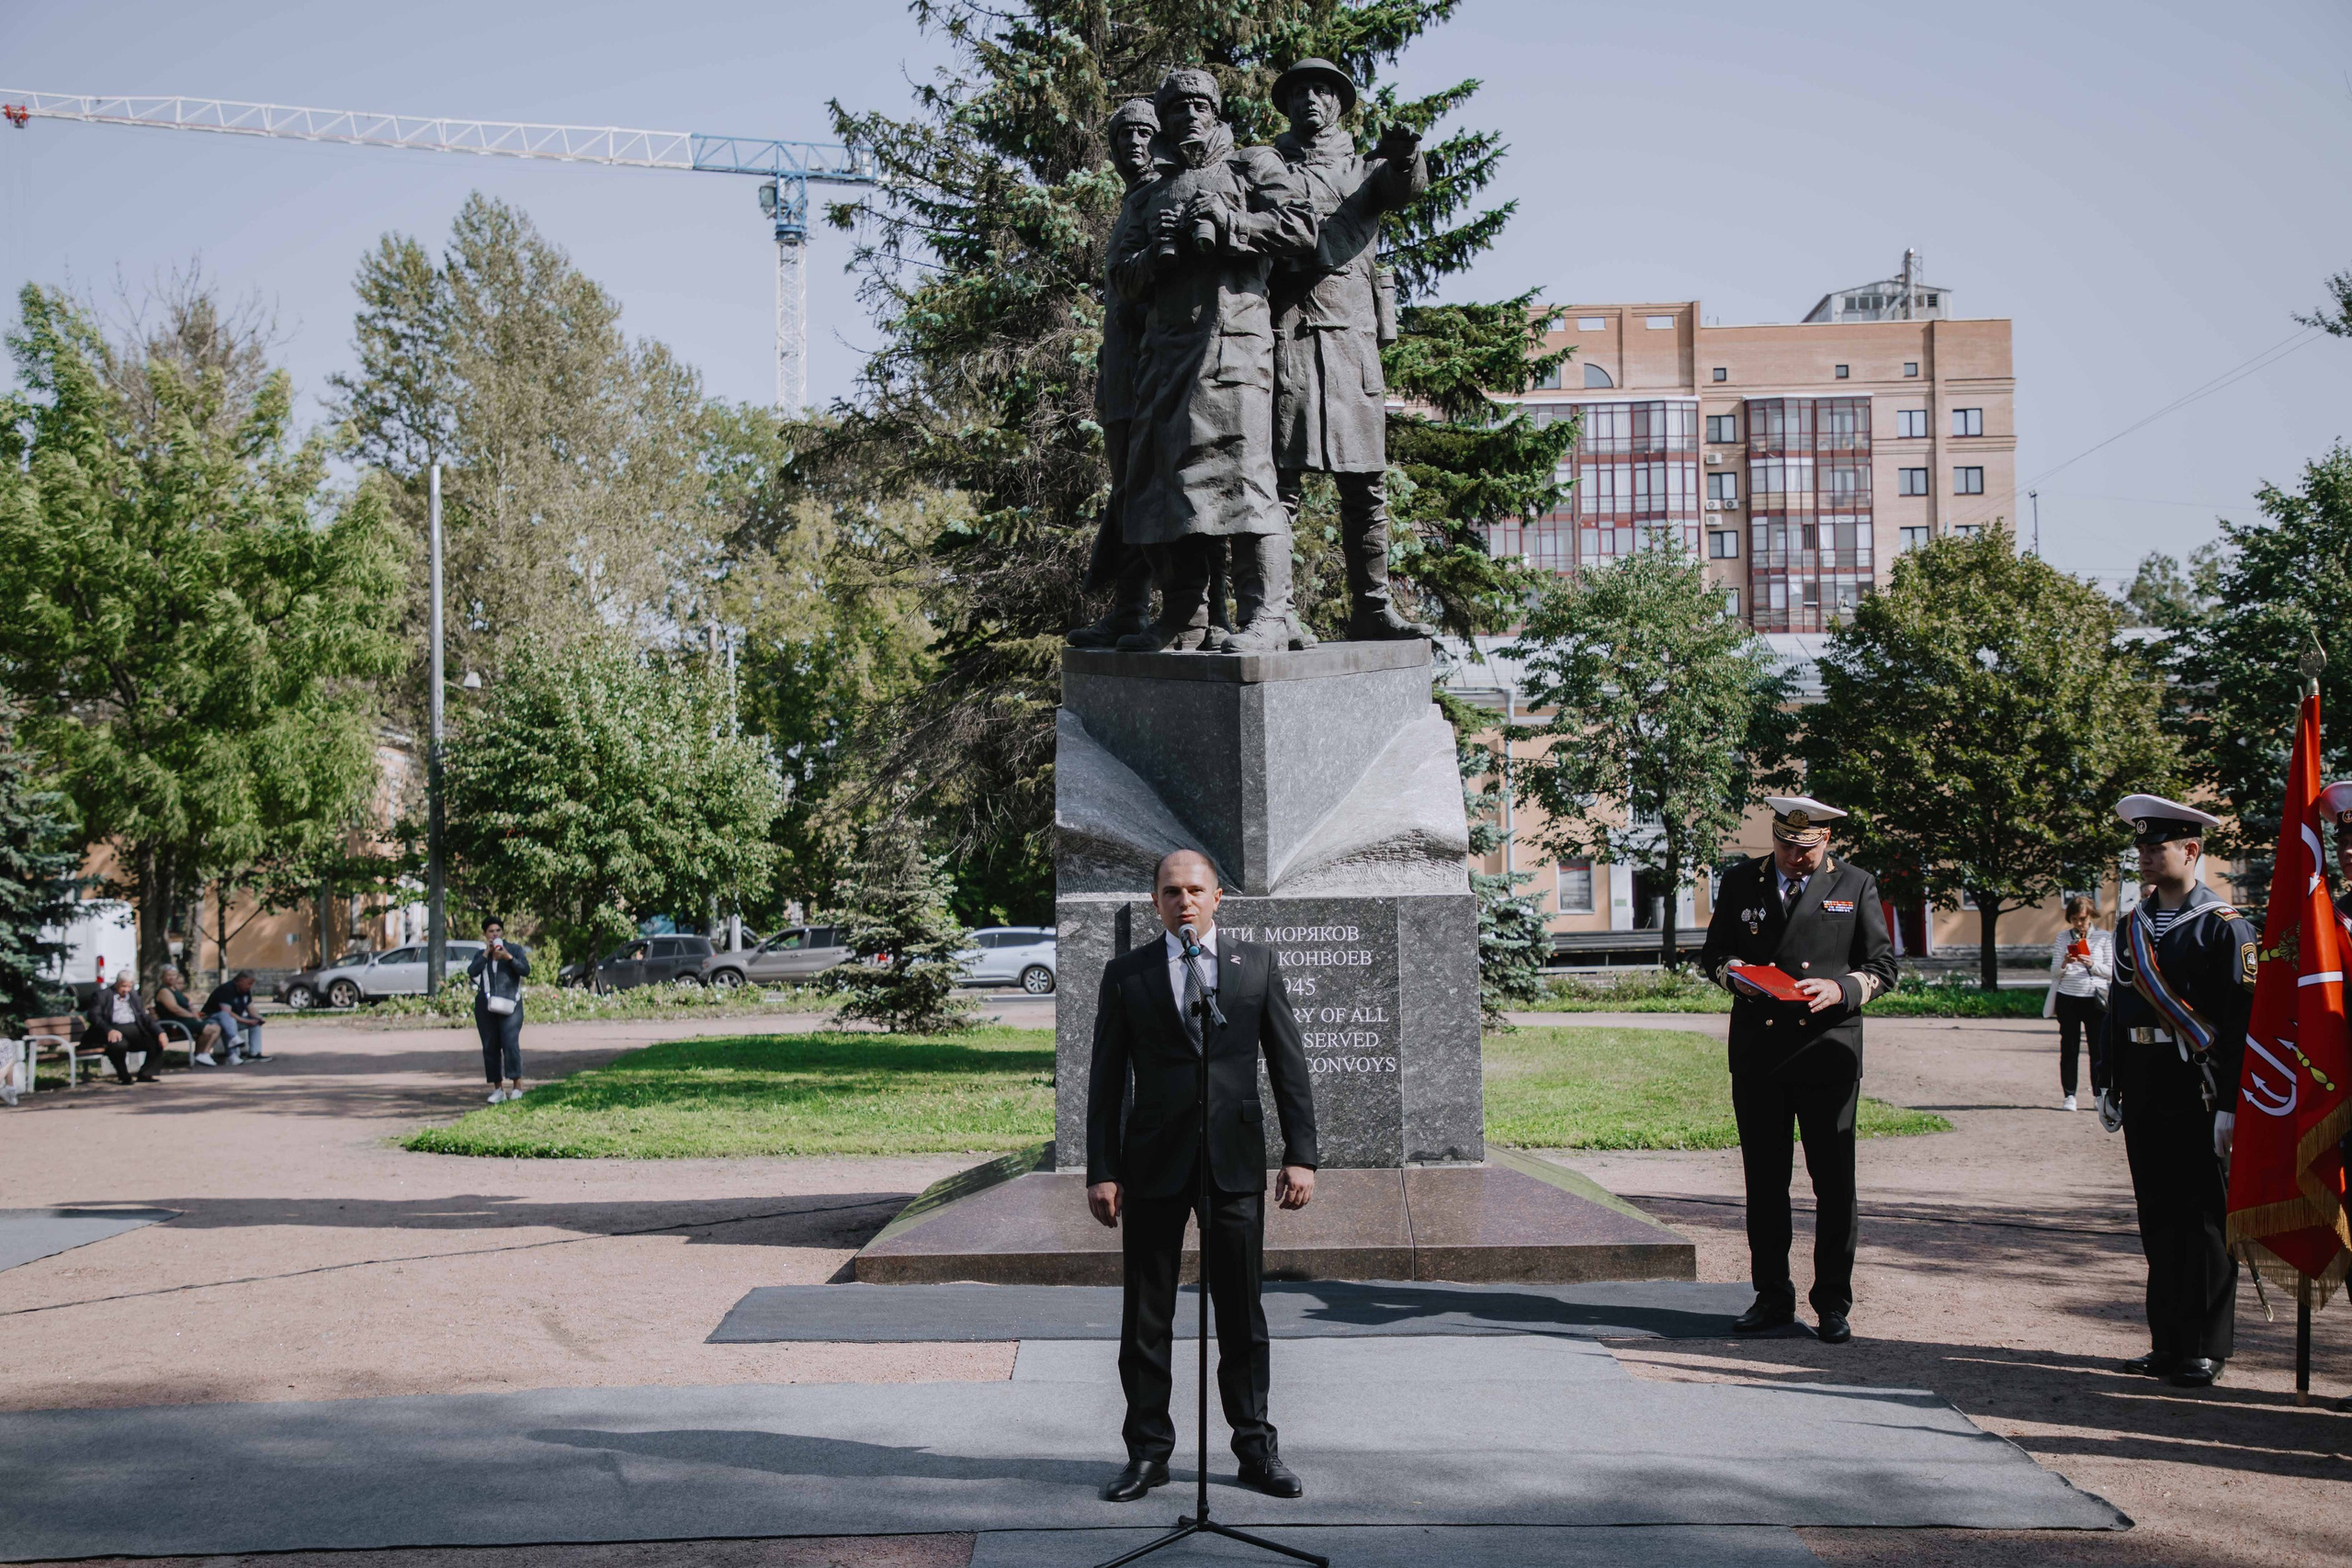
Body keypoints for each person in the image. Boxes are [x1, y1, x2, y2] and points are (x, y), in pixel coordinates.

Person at [1086, 847, 1318, 1503]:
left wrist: (1301, 1153)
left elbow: (1288, 1066)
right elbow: (1106, 1081)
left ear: (1219, 897)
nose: (1183, 901)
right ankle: (1149, 1453)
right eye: (1170, 891)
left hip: (1234, 1164)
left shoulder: (1255, 964)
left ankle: (1255, 1449)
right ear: (1155, 901)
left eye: (1195, 889)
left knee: (1242, 1315)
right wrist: (1101, 1168)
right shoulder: (1127, 974)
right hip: (1153, 1166)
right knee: (1147, 1317)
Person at [1109, 68, 1316, 654]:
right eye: (1178, 110)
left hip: (1233, 350)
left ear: (1216, 112)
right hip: (1165, 359)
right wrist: (1156, 253)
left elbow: (1301, 230)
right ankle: (1186, 616)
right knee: (1163, 487)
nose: (1190, 117)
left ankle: (1266, 615)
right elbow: (1122, 279)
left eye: (1201, 105)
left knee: (1246, 480)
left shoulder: (1253, 166)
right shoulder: (1150, 194)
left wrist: (1231, 223)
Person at [1697, 795, 1897, 1344]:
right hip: (1761, 1055)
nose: (1793, 856)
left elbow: (1883, 966)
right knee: (1765, 1182)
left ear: (1826, 841)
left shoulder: (1855, 885)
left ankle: (1832, 1301)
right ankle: (1772, 1296)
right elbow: (1713, 952)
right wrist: (1732, 973)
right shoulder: (1742, 881)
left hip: (1827, 1050)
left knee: (1835, 1185)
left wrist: (1841, 988)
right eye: (1785, 844)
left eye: (1805, 848)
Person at [2090, 795, 2256, 1390]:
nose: (2143, 856)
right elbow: (2115, 1009)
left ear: (2191, 850)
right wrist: (2107, 1079)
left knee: (2204, 1219)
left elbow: (2241, 1025)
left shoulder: (2225, 927)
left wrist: (2234, 1104)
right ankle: (2166, 1340)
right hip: (2143, 1081)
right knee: (2157, 1213)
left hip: (2201, 1086)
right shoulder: (2132, 923)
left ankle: (2206, 1346)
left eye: (2154, 847)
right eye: (2139, 846)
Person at [1268, 57, 1431, 643]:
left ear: (1339, 103)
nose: (1311, 99)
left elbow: (1401, 187)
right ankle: (1274, 613)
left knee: (1365, 486)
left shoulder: (1365, 170)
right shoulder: (1267, 166)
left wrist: (1405, 156)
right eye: (1300, 91)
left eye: (1322, 90)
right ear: (1286, 104)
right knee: (1280, 485)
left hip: (1352, 343)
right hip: (1286, 338)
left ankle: (1372, 607)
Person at [1068, 98, 1163, 650]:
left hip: (1155, 369)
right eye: (1123, 134)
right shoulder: (1132, 201)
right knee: (1129, 492)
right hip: (1122, 378)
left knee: (1148, 492)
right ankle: (1129, 609)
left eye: (1143, 132)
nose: (1132, 142)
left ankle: (1186, 610)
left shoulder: (1160, 196)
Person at [2042, 896, 2112, 1111]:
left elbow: (2111, 972)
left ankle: (2098, 1094)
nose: (2078, 924)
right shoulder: (2063, 937)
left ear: (2090, 915)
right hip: (2068, 997)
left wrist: (2091, 963)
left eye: (2082, 919)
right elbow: (2054, 972)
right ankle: (2069, 1095)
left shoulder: (2103, 938)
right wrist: (2065, 961)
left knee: (2097, 1050)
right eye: (2074, 919)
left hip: (2095, 998)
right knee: (2069, 1047)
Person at [468, 918, 531, 1102]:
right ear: (485, 934)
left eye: (497, 931)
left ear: (502, 932)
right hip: (486, 1006)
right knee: (490, 1047)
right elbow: (472, 971)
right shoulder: (482, 954)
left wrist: (508, 958)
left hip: (511, 1005)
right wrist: (487, 953)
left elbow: (525, 970)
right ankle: (498, 1089)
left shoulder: (514, 950)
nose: (495, 934)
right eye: (490, 931)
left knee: (510, 1043)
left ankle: (517, 1086)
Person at [86, 969, 165, 1084]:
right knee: (118, 1045)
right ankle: (124, 1076)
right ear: (117, 983)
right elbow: (94, 1017)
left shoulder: (133, 996)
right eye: (124, 986)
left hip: (133, 1031)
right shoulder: (102, 996)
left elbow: (144, 1017)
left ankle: (146, 1073)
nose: (126, 990)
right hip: (113, 1030)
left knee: (155, 1042)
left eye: (129, 987)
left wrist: (160, 1032)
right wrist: (109, 1030)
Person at [152, 965, 222, 1066]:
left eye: (173, 975)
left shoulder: (175, 990)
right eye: (168, 975)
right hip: (174, 1023)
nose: (171, 977)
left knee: (216, 1027)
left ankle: (202, 1054)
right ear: (163, 977)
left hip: (184, 1021)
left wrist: (195, 1014)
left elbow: (188, 1005)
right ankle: (202, 1054)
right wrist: (191, 1016)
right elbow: (175, 1009)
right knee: (210, 1029)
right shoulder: (164, 991)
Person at [203, 971, 267, 1063]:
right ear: (240, 980)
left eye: (252, 984)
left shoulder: (245, 991)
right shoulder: (227, 989)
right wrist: (246, 1021)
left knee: (255, 1023)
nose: (250, 986)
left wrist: (258, 1018)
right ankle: (233, 1055)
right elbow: (227, 1012)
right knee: (230, 1022)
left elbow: (250, 1008)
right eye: (249, 983)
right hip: (214, 1019)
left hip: (233, 1019)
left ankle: (255, 1053)